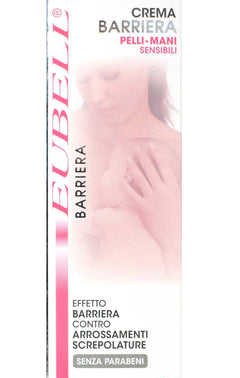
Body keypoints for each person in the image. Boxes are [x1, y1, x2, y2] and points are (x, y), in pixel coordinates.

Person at [71, 57, 181, 281]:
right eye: (82, 78)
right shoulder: (60, 135)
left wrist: (174, 237)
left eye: (111, 74)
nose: (95, 97)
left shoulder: (181, 155)